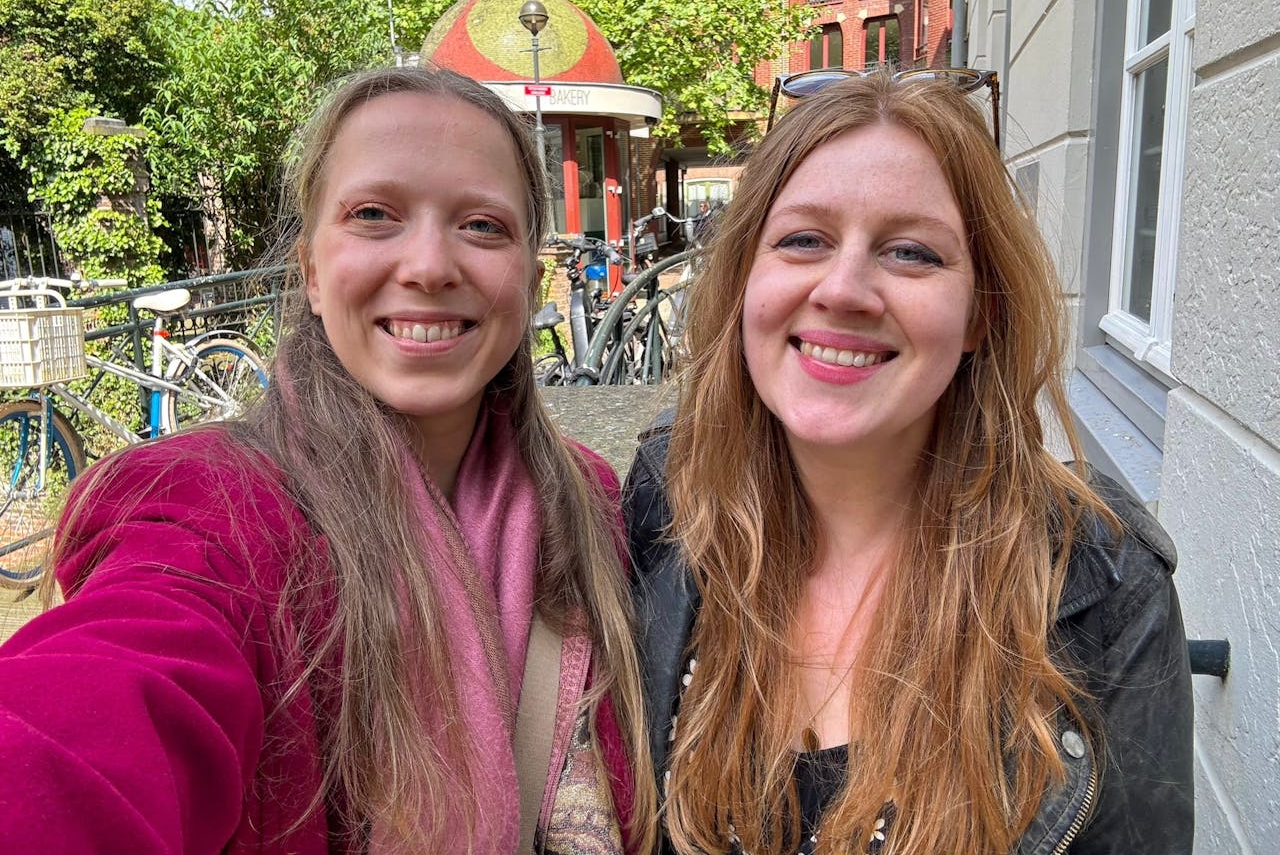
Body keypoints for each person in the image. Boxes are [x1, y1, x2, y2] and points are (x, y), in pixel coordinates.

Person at [0, 66, 654, 854]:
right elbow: (81, 726)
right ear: (310, 272)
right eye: (374, 214)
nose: (427, 266)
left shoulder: (592, 501)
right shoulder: (210, 517)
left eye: (482, 226)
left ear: (530, 278)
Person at [624, 72, 1193, 855]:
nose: (845, 288)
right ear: (745, 277)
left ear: (978, 314)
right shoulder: (669, 499)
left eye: (911, 252)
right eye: (803, 239)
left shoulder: (1101, 583)